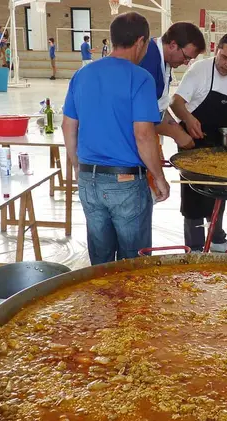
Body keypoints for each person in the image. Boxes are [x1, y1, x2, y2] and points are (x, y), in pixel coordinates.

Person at [62, 11, 169, 264]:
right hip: (126, 182)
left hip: (89, 179)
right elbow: (144, 135)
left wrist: (79, 165)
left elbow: (68, 126)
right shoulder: (140, 78)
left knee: (100, 260)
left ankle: (102, 304)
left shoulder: (82, 74)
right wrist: (160, 178)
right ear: (141, 42)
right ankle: (130, 305)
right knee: (134, 262)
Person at [170, 34, 227, 253]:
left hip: (219, 144)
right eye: (224, 57)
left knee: (219, 191)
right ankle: (194, 246)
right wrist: (188, 119)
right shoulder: (199, 70)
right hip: (192, 143)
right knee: (193, 195)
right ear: (216, 50)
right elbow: (176, 103)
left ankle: (216, 238)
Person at [138, 22, 206, 150]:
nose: (186, 63)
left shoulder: (165, 61)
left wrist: (182, 123)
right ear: (173, 45)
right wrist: (177, 134)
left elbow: (160, 107)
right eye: (186, 57)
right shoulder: (147, 61)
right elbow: (143, 116)